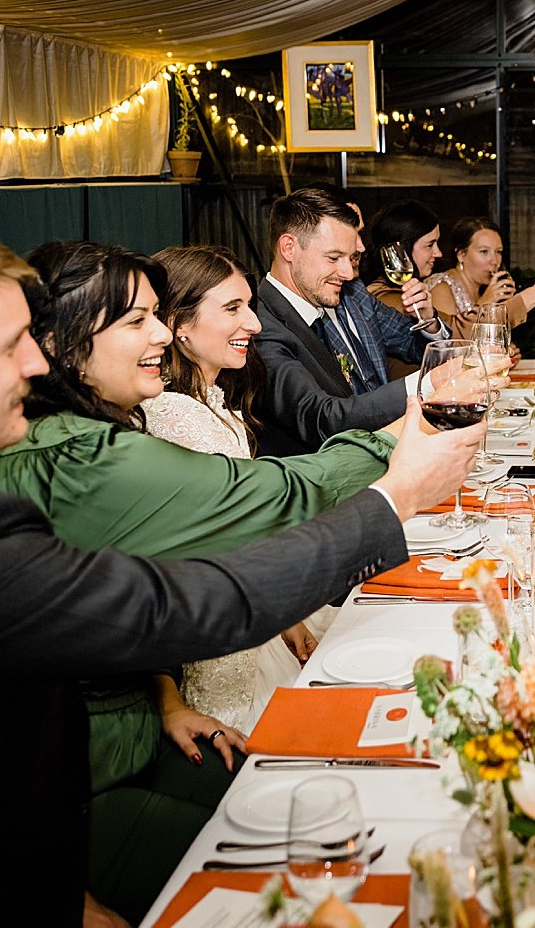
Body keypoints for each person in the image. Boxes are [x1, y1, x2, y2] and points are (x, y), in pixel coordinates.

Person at [0, 224, 479, 927]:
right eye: (12, 343)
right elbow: (184, 605)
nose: (37, 362)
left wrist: (163, 694)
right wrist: (394, 497)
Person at [0, 239, 425, 918]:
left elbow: (118, 596)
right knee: (315, 862)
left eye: (158, 315)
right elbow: (268, 498)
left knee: (331, 806)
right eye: (136, 321)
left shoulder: (105, 428)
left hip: (139, 737)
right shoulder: (72, 456)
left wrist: (164, 697)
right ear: (58, 342)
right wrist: (407, 447)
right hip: (70, 793)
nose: (160, 333)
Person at [143, 244, 325, 735]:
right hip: (231, 654)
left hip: (257, 610)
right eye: (232, 309)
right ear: (178, 323)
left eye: (250, 306)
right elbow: (232, 537)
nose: (255, 324)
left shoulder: (212, 399)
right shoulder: (175, 415)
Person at [251, 186, 449, 456]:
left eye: (350, 257)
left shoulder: (326, 298)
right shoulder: (260, 325)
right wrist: (427, 383)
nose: (347, 272)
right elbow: (322, 419)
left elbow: (411, 342)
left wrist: (428, 321)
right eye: (334, 258)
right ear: (289, 248)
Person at [428, 216, 535, 334]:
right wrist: (487, 301)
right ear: (461, 254)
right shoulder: (441, 287)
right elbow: (450, 342)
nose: (494, 261)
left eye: (498, 252)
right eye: (484, 252)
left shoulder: (479, 288)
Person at [364, 200, 453, 374]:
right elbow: (458, 333)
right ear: (400, 249)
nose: (438, 253)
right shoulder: (385, 299)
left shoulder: (411, 291)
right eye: (430, 245)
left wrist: (429, 320)